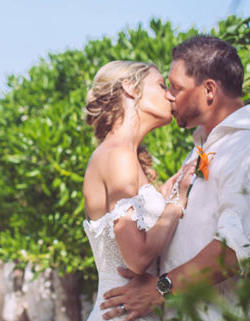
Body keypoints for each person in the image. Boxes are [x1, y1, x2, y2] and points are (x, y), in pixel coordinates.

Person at [99, 36, 250, 320]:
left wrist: (160, 288)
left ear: (209, 90)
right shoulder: (200, 151)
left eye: (176, 87)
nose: (168, 96)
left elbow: (234, 249)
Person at [82, 60, 192, 321]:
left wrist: (163, 199)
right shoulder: (118, 154)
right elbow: (137, 257)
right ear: (130, 88)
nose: (169, 95)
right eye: (161, 85)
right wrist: (175, 205)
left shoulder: (124, 155)